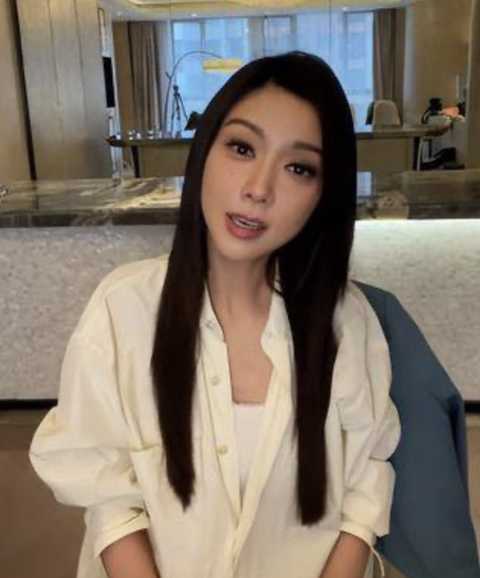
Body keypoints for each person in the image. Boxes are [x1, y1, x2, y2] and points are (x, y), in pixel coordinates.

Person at [29, 51, 401, 578]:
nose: (259, 189)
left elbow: (364, 493)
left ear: (323, 193)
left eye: (298, 168)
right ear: (204, 151)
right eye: (242, 148)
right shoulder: (123, 309)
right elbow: (108, 498)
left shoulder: (346, 321)